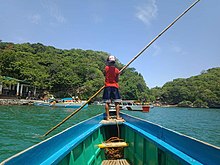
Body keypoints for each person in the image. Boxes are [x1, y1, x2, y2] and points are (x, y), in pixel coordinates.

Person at [103, 55, 122, 120]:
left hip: (107, 86)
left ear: (108, 62)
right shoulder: (117, 70)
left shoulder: (106, 68)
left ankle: (108, 117)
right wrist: (118, 74)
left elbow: (105, 75)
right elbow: (117, 80)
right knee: (117, 102)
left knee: (107, 102)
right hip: (115, 87)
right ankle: (117, 116)